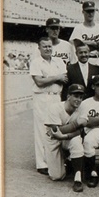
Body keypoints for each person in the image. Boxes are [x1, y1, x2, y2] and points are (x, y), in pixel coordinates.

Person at [52, 77, 99, 188]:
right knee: (88, 142)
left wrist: (95, 122)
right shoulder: (85, 102)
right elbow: (85, 122)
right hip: (91, 131)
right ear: (93, 87)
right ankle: (92, 174)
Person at [29, 37, 67, 174]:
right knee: (42, 129)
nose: (47, 49)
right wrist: (56, 78)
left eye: (49, 46)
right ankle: (42, 163)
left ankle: (55, 161)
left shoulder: (59, 61)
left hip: (56, 97)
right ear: (39, 48)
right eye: (44, 46)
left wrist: (48, 79)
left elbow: (65, 78)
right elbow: (39, 82)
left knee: (56, 128)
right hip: (42, 98)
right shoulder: (36, 62)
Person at [44, 84, 89, 191]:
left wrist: (68, 135)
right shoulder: (55, 108)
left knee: (76, 142)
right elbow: (56, 131)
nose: (78, 99)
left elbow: (81, 130)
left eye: (81, 97)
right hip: (53, 140)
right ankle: (67, 160)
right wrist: (76, 124)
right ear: (68, 96)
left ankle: (77, 180)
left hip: (69, 137)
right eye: (76, 96)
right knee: (57, 176)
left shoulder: (82, 107)